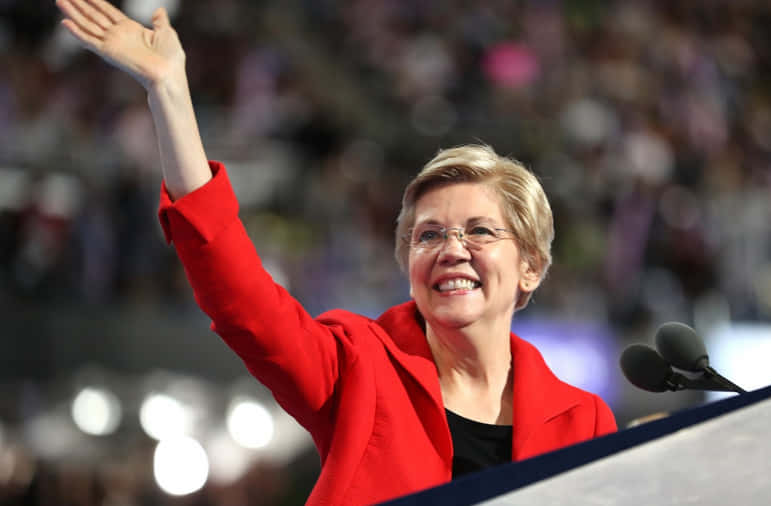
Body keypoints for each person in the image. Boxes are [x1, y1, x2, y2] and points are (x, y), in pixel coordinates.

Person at [55, 1, 617, 504]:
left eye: (479, 231)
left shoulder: (584, 423)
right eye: (428, 235)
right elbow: (241, 299)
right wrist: (170, 92)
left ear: (530, 266)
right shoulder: (359, 367)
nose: (452, 249)